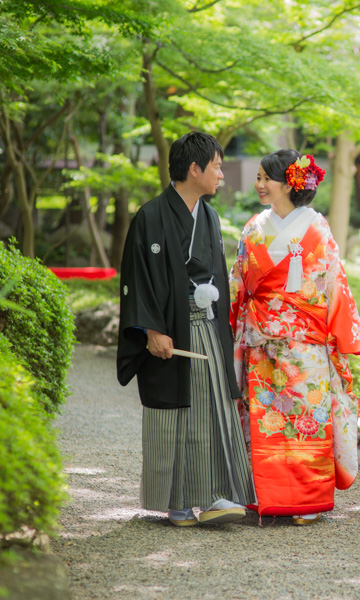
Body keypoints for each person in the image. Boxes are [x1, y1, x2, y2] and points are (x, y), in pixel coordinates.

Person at [117, 131, 255, 527]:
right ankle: (176, 501)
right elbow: (136, 278)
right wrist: (150, 330)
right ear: (194, 169)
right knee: (176, 415)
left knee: (213, 412)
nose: (222, 175)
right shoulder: (150, 216)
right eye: (216, 167)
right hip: (171, 333)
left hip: (206, 328)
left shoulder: (209, 216)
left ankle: (214, 495)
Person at [229, 149, 360, 525]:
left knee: (306, 419)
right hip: (261, 342)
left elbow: (333, 284)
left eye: (264, 178)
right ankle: (267, 496)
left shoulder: (317, 227)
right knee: (265, 421)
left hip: (305, 343)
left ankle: (307, 501)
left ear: (289, 183)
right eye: (257, 177)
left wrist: (337, 335)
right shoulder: (254, 226)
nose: (258, 185)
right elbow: (238, 283)